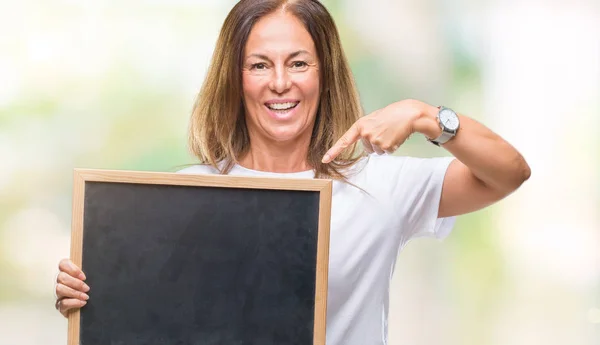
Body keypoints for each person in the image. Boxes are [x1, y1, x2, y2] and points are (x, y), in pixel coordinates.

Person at [53, 0, 531, 344]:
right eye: (259, 65)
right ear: (235, 79)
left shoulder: (379, 184)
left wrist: (426, 116)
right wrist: (91, 302)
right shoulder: (186, 195)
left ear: (323, 73)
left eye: (298, 62)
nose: (280, 82)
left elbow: (508, 173)